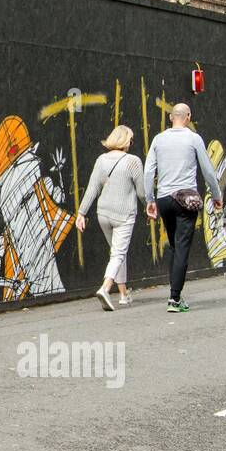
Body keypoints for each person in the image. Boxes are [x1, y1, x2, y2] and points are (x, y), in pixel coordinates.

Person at [143, 103, 223, 312]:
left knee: (174, 246)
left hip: (164, 200)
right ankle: (174, 299)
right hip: (186, 200)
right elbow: (207, 169)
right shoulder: (193, 138)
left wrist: (150, 200)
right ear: (188, 117)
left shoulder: (158, 139)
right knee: (182, 248)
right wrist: (216, 195)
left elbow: (148, 171)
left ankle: (174, 294)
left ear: (171, 117)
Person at [75, 125, 146, 311]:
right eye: (131, 139)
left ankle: (123, 294)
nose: (131, 143)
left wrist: (81, 213)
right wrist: (150, 206)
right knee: (118, 253)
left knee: (117, 253)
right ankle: (105, 289)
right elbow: (141, 192)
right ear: (127, 141)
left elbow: (92, 189)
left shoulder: (101, 160)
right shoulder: (133, 161)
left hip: (103, 214)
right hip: (124, 214)